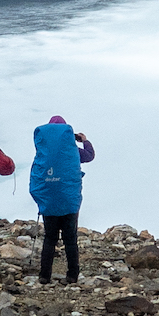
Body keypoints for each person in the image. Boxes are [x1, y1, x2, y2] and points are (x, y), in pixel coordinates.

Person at [29, 115, 98, 285]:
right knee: (70, 239)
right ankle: (72, 275)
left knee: (50, 238)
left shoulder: (44, 152)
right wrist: (85, 141)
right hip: (69, 202)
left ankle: (45, 276)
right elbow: (90, 155)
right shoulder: (73, 150)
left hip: (49, 202)